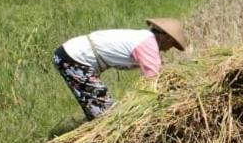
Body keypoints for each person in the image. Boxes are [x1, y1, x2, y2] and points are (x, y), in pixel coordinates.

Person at [53, 18, 186, 119]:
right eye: (172, 43)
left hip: (69, 55)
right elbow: (154, 81)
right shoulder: (147, 44)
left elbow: (158, 72)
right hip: (74, 58)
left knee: (98, 107)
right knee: (104, 113)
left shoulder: (144, 39)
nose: (169, 49)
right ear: (165, 37)